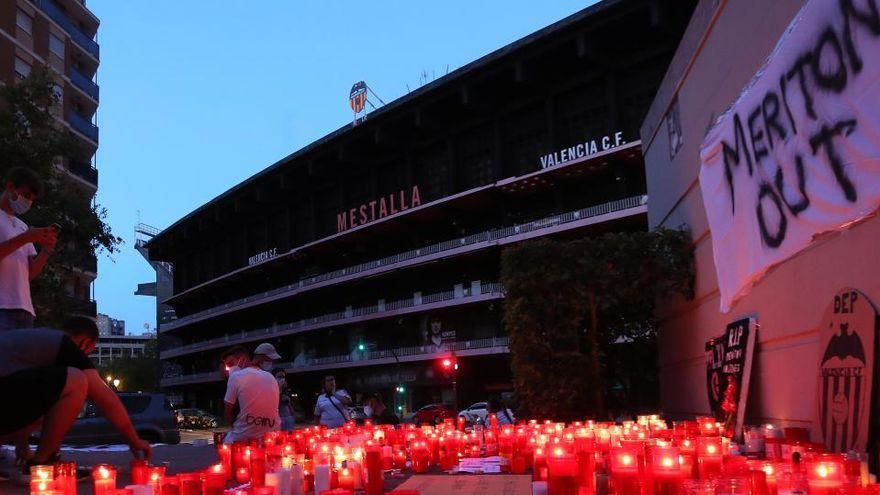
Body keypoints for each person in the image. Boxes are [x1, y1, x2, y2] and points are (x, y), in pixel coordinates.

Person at [0, 316, 151, 470]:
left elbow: (21, 391)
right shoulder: (62, 343)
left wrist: (22, 445)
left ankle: (47, 456)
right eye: (88, 354)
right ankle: (42, 464)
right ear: (86, 343)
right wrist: (134, 440)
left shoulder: (33, 343)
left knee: (55, 393)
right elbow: (104, 397)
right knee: (77, 380)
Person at [0, 167, 57, 330]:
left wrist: (46, 250)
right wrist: (26, 238)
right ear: (10, 187)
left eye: (31, 199)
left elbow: (29, 273)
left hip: (25, 309)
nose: (28, 202)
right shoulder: (25, 232)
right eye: (25, 195)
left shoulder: (23, 226)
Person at [221, 346, 280, 444]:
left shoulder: (236, 376)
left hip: (244, 438)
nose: (228, 370)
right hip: (273, 434)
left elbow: (227, 412)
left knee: (224, 440)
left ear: (243, 359)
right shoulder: (271, 377)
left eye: (230, 365)